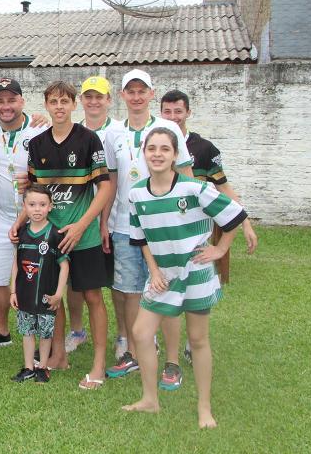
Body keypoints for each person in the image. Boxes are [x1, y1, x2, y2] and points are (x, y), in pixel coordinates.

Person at [122, 127, 246, 429]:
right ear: (144, 154)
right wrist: (153, 272)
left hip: (195, 272)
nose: (158, 154)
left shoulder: (194, 189)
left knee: (198, 339)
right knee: (140, 333)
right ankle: (150, 400)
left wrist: (220, 249)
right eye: (152, 148)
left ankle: (204, 407)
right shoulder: (136, 193)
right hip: (163, 275)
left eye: (165, 149)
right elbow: (141, 240)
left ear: (176, 154)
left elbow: (235, 214)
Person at [13, 80, 113, 389]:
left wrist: (83, 224)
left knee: (93, 297)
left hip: (83, 237)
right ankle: (57, 356)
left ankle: (98, 365)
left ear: (74, 105)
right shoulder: (38, 144)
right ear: (45, 105)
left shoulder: (89, 140)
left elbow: (106, 187)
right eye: (53, 101)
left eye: (65, 101)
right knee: (50, 297)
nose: (59, 106)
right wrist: (19, 222)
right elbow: (33, 193)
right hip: (49, 239)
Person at [102, 69, 193, 385]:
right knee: (128, 292)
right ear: (123, 95)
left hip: (163, 228)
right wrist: (105, 223)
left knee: (165, 290)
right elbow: (111, 182)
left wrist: (188, 222)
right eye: (131, 91)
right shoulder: (115, 133)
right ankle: (134, 355)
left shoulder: (167, 128)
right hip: (124, 227)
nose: (137, 96)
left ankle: (170, 361)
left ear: (152, 94)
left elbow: (187, 177)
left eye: (143, 91)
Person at [159, 89, 258, 368]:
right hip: (163, 232)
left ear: (188, 112)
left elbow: (224, 188)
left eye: (178, 111)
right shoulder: (153, 142)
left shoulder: (204, 149)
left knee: (193, 289)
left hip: (193, 234)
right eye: (167, 111)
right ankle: (160, 346)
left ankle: (194, 342)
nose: (173, 117)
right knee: (163, 287)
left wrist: (245, 224)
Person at [0, 78, 45, 350]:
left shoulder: (40, 128)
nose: (6, 106)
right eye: (0, 101)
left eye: (12, 100)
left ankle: (41, 334)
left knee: (38, 275)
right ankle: (1, 330)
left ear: (22, 101)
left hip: (36, 216)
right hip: (3, 214)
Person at [65, 76, 128, 360]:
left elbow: (111, 181)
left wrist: (104, 221)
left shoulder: (119, 131)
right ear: (81, 100)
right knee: (75, 282)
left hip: (113, 220)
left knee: (117, 283)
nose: (93, 102)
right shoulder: (73, 132)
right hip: (80, 221)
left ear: (108, 100)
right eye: (88, 96)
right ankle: (77, 331)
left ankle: (124, 335)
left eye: (99, 96)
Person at [9, 186, 69, 383]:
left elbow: (64, 266)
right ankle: (28, 367)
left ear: (50, 207)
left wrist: (59, 293)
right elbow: (16, 264)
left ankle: (42, 367)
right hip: (24, 294)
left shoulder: (54, 234)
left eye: (42, 205)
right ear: (24, 207)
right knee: (27, 331)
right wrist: (13, 291)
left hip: (46, 295)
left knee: (44, 332)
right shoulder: (22, 234)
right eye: (32, 205)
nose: (37, 209)